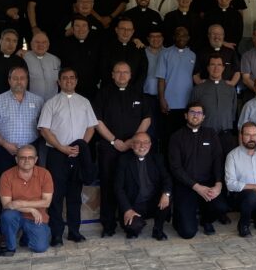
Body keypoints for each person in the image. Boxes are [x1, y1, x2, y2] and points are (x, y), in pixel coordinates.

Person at [38, 68, 98, 246]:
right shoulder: (51, 103)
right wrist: (62, 148)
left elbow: (91, 127)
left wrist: (81, 146)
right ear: (59, 82)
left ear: (76, 81)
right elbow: (44, 130)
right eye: (65, 78)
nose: (69, 81)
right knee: (56, 196)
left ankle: (74, 231)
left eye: (72, 78)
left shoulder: (84, 102)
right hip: (57, 154)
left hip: (78, 154)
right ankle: (56, 234)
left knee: (74, 195)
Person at [95, 62, 153, 237]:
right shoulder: (102, 93)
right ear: (112, 75)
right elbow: (97, 121)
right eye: (118, 72)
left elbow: (147, 119)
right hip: (109, 147)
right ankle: (108, 225)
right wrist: (114, 141)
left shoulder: (139, 94)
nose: (122, 75)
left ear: (130, 75)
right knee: (108, 185)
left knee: (130, 186)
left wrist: (132, 142)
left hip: (133, 148)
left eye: (125, 72)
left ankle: (130, 222)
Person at [168, 102, 229, 238]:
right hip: (186, 186)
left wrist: (218, 183)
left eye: (199, 113)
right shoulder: (176, 137)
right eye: (192, 112)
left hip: (208, 183)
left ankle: (206, 220)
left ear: (203, 117)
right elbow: (175, 168)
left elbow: (218, 160)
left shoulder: (211, 134)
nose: (195, 116)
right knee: (187, 233)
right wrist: (196, 187)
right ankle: (181, 218)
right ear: (185, 115)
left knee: (221, 207)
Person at [0, 65, 44, 195]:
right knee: (4, 189)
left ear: (27, 80)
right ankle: (5, 215)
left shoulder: (38, 101)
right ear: (9, 80)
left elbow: (43, 127)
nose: (19, 81)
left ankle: (28, 215)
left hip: (31, 152)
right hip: (4, 151)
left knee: (31, 188)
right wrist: (4, 143)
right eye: (15, 78)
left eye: (22, 78)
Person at [114, 133, 172, 240]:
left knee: (167, 196)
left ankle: (158, 229)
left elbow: (167, 179)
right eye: (138, 143)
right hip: (134, 204)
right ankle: (137, 223)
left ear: (150, 145)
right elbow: (118, 188)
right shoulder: (123, 160)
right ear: (132, 145)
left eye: (146, 142)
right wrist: (127, 209)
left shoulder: (157, 158)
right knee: (133, 228)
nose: (142, 146)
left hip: (152, 202)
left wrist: (166, 194)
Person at [0, 145, 53, 254]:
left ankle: (27, 235)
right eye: (22, 157)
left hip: (37, 218)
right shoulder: (6, 175)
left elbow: (46, 202)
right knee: (8, 216)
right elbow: (7, 205)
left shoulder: (45, 174)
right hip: (16, 216)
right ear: (16, 159)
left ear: (36, 159)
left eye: (30, 157)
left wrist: (20, 203)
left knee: (40, 248)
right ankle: (10, 247)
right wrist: (31, 209)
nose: (27, 161)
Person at [190, 54, 239, 155]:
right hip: (205, 134)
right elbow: (192, 114)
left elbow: (233, 113)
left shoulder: (230, 89)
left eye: (219, 65)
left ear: (223, 68)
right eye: (212, 64)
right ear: (208, 68)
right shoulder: (198, 89)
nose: (216, 68)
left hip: (226, 135)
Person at [156, 26, 197, 136]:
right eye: (178, 35)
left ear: (188, 38)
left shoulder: (193, 55)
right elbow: (161, 79)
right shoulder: (165, 54)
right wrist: (161, 99)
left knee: (185, 136)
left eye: (184, 35)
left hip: (187, 103)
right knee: (169, 135)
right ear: (174, 37)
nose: (181, 38)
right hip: (169, 104)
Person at [59, 18, 101, 99]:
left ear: (89, 29)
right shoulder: (64, 44)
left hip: (92, 91)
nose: (81, 29)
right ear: (73, 29)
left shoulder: (97, 44)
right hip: (70, 90)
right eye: (77, 26)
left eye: (84, 26)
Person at [102, 18, 147, 88]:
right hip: (110, 89)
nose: (126, 32)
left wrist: (136, 87)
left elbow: (143, 70)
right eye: (122, 29)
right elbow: (103, 69)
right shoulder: (107, 47)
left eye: (129, 30)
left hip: (133, 90)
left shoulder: (139, 47)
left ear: (133, 31)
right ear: (116, 30)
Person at [24, 31, 61, 100]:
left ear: (48, 45)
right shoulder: (24, 58)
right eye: (37, 42)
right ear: (31, 44)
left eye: (44, 42)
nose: (40, 45)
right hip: (31, 101)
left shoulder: (55, 60)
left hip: (51, 102)